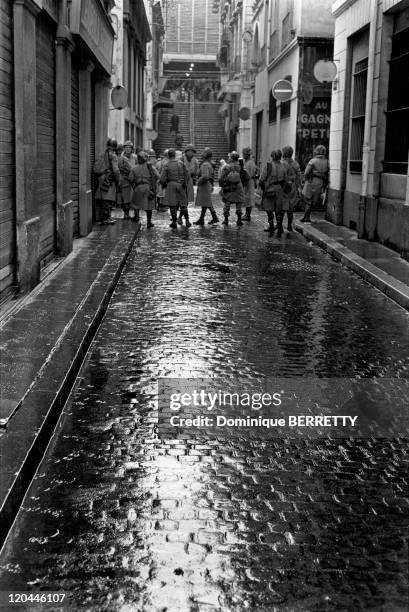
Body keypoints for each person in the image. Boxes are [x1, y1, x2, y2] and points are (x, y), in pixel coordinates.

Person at [160, 148, 190, 228]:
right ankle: (187, 221)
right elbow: (187, 174)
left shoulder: (166, 164)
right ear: (175, 155)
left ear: (168, 155)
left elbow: (162, 178)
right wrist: (185, 183)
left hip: (171, 185)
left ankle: (174, 222)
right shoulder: (181, 163)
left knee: (172, 205)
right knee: (183, 204)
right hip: (181, 184)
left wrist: (163, 184)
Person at [93, 138, 120, 224]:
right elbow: (116, 170)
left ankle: (103, 218)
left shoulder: (101, 154)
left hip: (101, 178)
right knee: (108, 199)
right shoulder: (114, 156)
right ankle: (106, 218)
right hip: (109, 179)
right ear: (115, 147)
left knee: (103, 198)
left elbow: (96, 168)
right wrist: (118, 180)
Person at [219, 151, 249, 227]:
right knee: (239, 204)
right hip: (239, 186)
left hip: (229, 187)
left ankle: (226, 220)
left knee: (227, 204)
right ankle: (239, 220)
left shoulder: (227, 167)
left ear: (231, 158)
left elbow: (222, 177)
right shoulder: (241, 167)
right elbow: (247, 176)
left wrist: (223, 185)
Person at [259, 149, 286, 235]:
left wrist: (263, 188)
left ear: (273, 156)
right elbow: (285, 179)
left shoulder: (269, 166)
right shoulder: (283, 166)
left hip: (269, 188)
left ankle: (271, 226)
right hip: (279, 189)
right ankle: (279, 226)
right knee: (278, 209)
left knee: (269, 208)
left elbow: (261, 179)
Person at [128, 150, 157, 229]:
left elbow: (130, 179)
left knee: (136, 204)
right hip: (148, 188)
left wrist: (134, 186)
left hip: (138, 187)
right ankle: (148, 222)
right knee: (149, 206)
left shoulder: (134, 168)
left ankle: (136, 217)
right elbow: (157, 176)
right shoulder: (151, 168)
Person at [301, 145, 329, 223]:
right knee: (313, 200)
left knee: (307, 199)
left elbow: (306, 173)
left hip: (311, 181)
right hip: (320, 182)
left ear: (316, 151)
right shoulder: (327, 161)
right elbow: (327, 173)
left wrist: (306, 180)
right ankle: (307, 216)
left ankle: (306, 217)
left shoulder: (312, 161)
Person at [194, 148, 219, 225]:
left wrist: (198, 182)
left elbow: (205, 176)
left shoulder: (205, 164)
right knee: (206, 203)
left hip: (204, 185)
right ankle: (210, 218)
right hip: (207, 184)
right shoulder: (208, 164)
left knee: (206, 202)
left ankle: (206, 218)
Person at [281, 145, 301, 231]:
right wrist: (297, 187)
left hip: (283, 186)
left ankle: (279, 225)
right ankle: (289, 225)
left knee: (282, 207)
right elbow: (299, 177)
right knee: (290, 208)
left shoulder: (281, 163)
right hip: (292, 187)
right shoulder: (295, 164)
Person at [179, 144, 199, 224]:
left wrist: (194, 176)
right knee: (182, 201)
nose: (191, 153)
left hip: (189, 181)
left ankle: (180, 217)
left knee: (186, 201)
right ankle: (183, 219)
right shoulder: (182, 159)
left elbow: (197, 171)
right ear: (186, 151)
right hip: (181, 181)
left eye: (192, 151)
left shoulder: (195, 160)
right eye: (189, 151)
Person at [117, 140, 137, 219]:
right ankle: (126, 213)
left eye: (129, 147)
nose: (128, 149)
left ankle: (135, 214)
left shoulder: (135, 157)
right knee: (122, 198)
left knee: (133, 198)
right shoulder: (120, 157)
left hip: (133, 179)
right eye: (126, 147)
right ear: (124, 148)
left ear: (132, 149)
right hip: (123, 179)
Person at [242, 147, 257, 222]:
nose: (243, 155)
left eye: (244, 154)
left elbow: (250, 173)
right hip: (247, 181)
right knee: (247, 198)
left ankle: (248, 215)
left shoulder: (250, 163)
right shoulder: (247, 162)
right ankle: (246, 214)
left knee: (249, 198)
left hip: (249, 181)